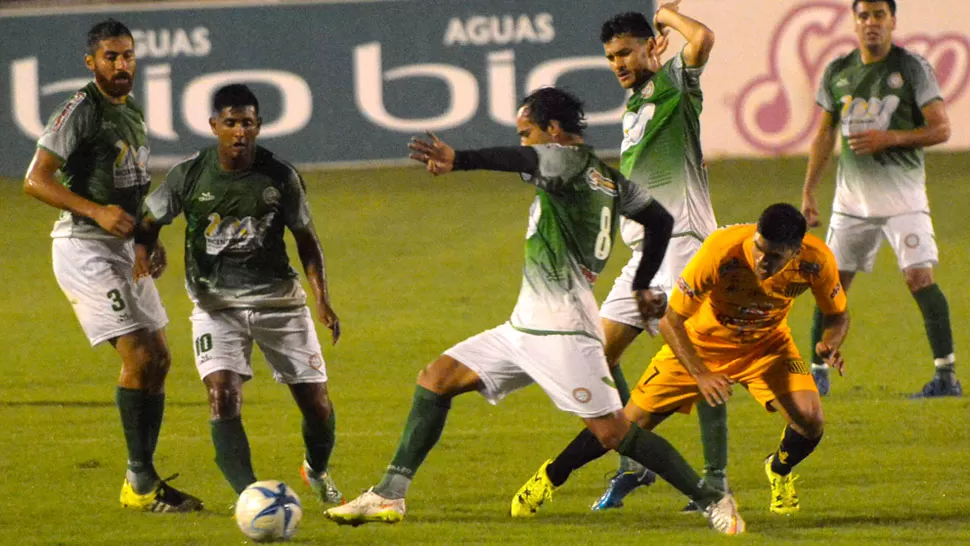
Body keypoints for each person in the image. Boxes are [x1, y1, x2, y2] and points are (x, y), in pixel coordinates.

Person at [323, 87, 744, 535]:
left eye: (529, 133)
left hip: (563, 331)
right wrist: (641, 284)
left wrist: (459, 159)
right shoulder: (608, 177)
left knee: (613, 433)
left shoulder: (564, 159)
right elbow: (659, 219)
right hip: (523, 327)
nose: (524, 142)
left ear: (555, 132)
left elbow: (523, 161)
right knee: (437, 378)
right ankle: (389, 493)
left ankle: (712, 499)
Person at [518, 203, 849, 517]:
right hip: (700, 345)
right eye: (759, 247)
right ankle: (550, 476)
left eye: (774, 255)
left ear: (795, 251)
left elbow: (837, 316)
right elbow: (670, 321)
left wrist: (829, 344)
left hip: (767, 347)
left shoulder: (817, 261)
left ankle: (778, 469)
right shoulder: (722, 250)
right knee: (621, 429)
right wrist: (702, 373)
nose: (762, 259)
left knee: (810, 419)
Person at [22, 19, 202, 513]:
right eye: (111, 57)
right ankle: (141, 484)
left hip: (122, 249)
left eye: (127, 56)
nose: (121, 66)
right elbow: (35, 181)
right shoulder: (81, 109)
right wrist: (96, 210)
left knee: (160, 359)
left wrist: (146, 241)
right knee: (140, 357)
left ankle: (141, 481)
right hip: (85, 247)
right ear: (91, 62)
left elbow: (134, 187)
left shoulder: (133, 112)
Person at [134, 84, 344, 506]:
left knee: (317, 406)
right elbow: (148, 219)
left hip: (280, 304)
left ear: (259, 125)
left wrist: (321, 297)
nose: (239, 131)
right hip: (216, 309)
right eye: (230, 122)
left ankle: (316, 470)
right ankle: (251, 496)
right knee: (222, 395)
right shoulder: (189, 174)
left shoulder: (279, 176)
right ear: (214, 126)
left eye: (247, 122)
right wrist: (146, 250)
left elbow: (306, 238)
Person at [593, 4, 725, 512]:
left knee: (700, 357)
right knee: (596, 356)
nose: (617, 63)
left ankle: (715, 479)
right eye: (610, 56)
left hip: (684, 241)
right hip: (643, 251)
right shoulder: (635, 106)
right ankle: (634, 458)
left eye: (625, 51)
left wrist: (666, 15)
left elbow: (705, 39)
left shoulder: (676, 82)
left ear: (649, 47)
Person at [802, 0, 957, 398]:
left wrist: (890, 138)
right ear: (854, 23)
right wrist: (809, 191)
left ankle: (946, 376)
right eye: (864, 16)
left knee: (919, 278)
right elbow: (823, 134)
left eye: (879, 16)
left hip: (904, 200)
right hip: (851, 204)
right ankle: (817, 371)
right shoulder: (838, 71)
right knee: (831, 286)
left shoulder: (912, 68)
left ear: (893, 22)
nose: (871, 23)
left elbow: (941, 129)